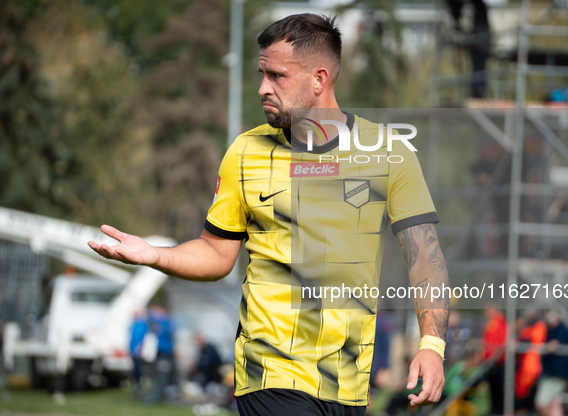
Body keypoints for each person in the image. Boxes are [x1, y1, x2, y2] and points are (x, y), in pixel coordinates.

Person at [88, 14, 449, 416]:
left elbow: (425, 259)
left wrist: (431, 346)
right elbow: (216, 253)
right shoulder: (246, 152)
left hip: (347, 385)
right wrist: (159, 255)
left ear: (319, 78)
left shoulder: (388, 153)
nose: (263, 88)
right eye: (262, 74)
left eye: (277, 76)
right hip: (269, 375)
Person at [535, 310, 568, 416]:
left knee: (541, 403)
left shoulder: (561, 329)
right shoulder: (551, 330)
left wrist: (541, 348)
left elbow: (553, 346)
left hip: (556, 374)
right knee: (554, 405)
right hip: (553, 372)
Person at [482, 302, 506, 415]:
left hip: (498, 363)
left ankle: (498, 412)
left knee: (498, 392)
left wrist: (495, 356)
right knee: (493, 391)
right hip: (490, 363)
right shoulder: (491, 323)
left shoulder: (499, 322)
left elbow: (501, 341)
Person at [129, 310, 148, 392]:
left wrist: (140, 348)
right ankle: (136, 384)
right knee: (135, 367)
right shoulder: (133, 324)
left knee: (139, 368)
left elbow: (144, 337)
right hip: (133, 349)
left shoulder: (142, 324)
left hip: (139, 350)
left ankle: (139, 384)